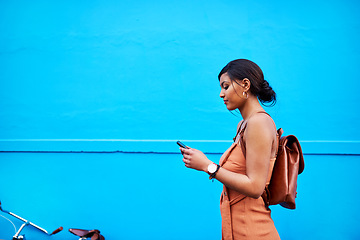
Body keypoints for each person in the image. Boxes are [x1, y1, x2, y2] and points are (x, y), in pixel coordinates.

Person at [180, 59, 280, 240]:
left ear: (245, 85)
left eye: (225, 86)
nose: (221, 94)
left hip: (253, 231)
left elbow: (255, 186)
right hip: (237, 230)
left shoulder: (259, 123)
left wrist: (208, 166)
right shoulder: (243, 125)